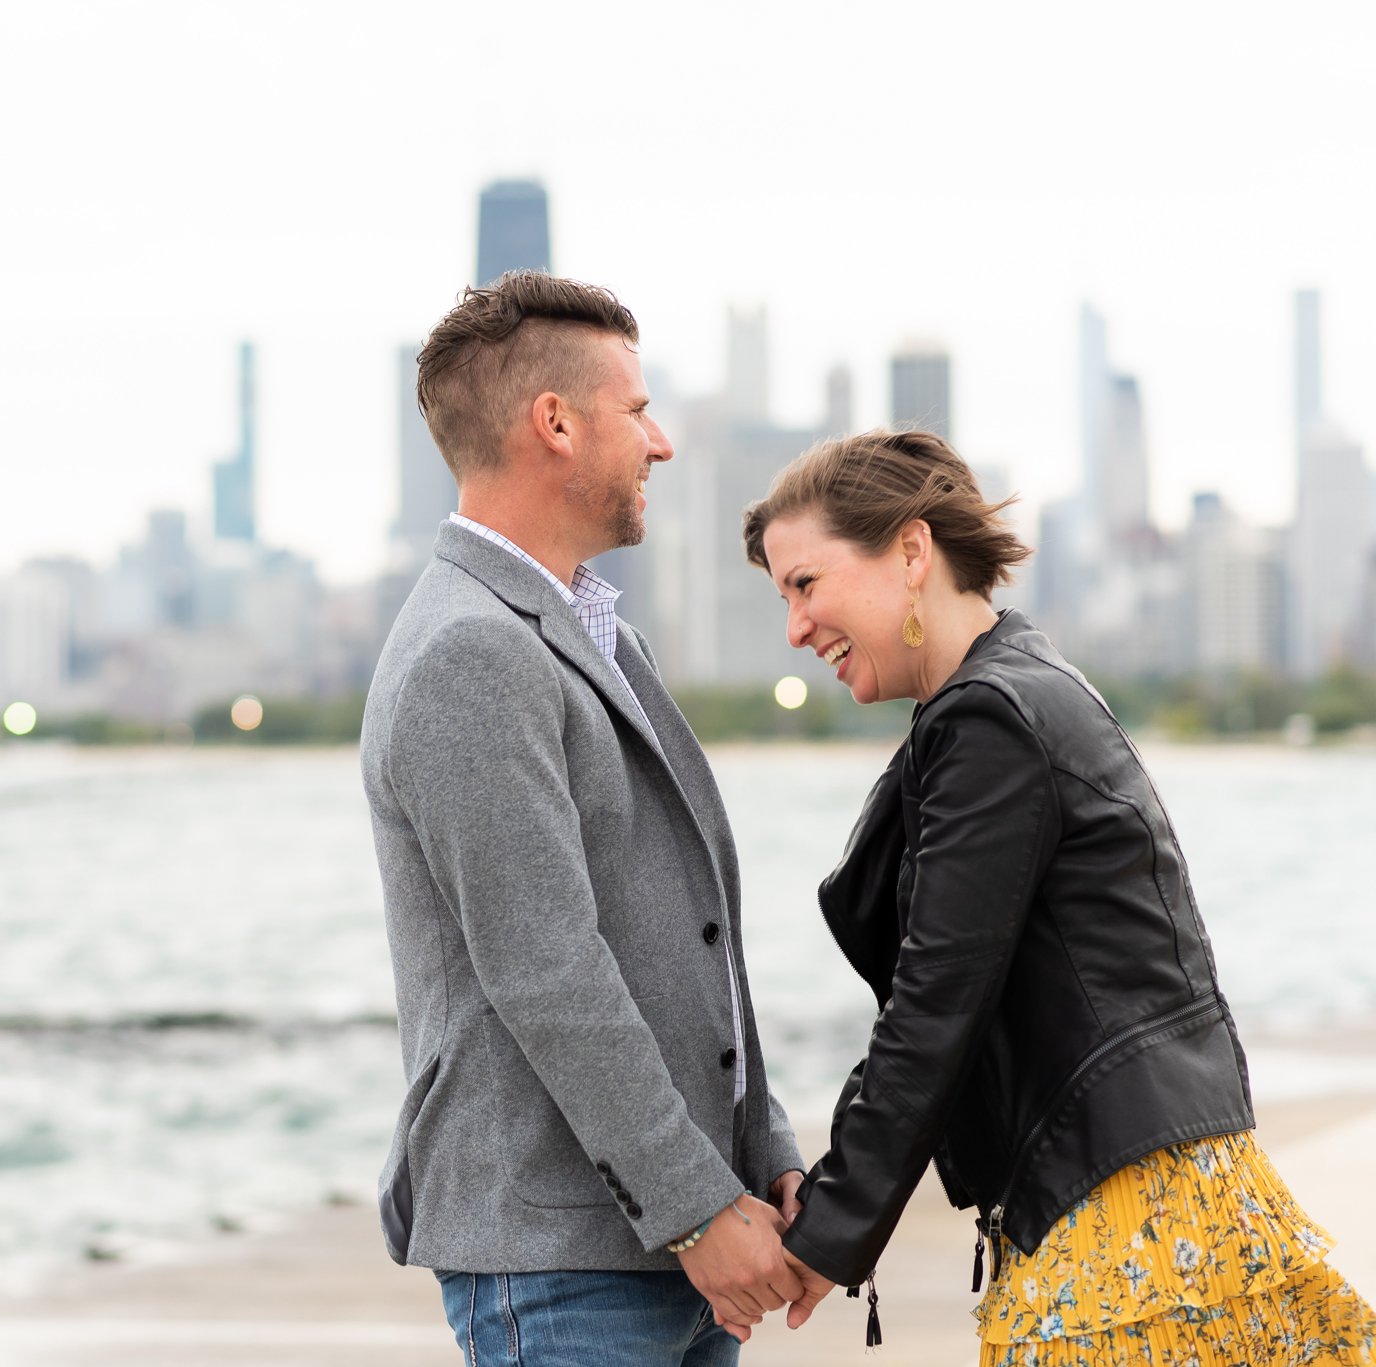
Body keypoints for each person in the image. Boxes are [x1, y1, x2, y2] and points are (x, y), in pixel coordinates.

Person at [743, 427, 1376, 1364]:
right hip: (1158, 1187)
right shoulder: (1014, 691)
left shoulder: (993, 719)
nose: (794, 627)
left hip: (1128, 1220)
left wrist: (822, 1229)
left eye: (805, 583)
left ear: (912, 551)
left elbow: (933, 1009)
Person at [360, 270, 806, 1366]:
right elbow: (546, 967)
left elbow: (678, 932)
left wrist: (761, 1142)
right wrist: (698, 1206)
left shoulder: (595, 634)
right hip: (563, 1263)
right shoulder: (470, 650)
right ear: (552, 424)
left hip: (653, 1241)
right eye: (638, 410)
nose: (658, 442)